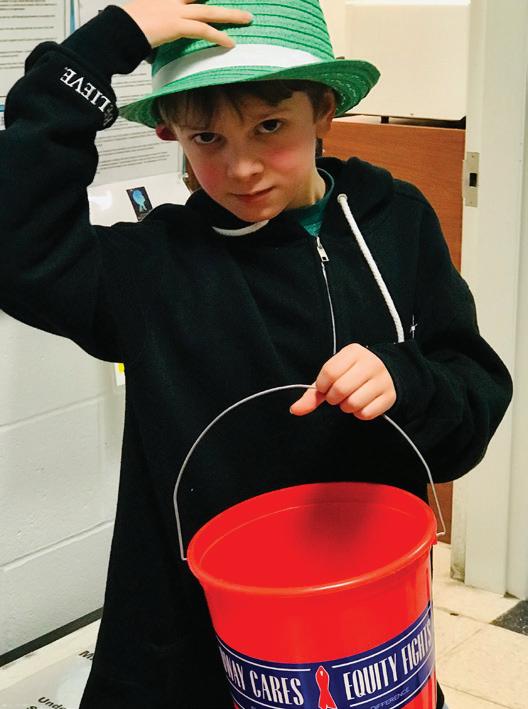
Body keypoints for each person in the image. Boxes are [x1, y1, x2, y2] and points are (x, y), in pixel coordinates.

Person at [0, 0, 512, 707]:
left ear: (323, 110)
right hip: (194, 637)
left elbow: (472, 395)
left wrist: (405, 379)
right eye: (207, 137)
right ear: (170, 131)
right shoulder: (151, 269)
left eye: (270, 127)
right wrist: (100, 47)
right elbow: (17, 245)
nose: (241, 167)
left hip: (365, 621)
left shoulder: (396, 219)